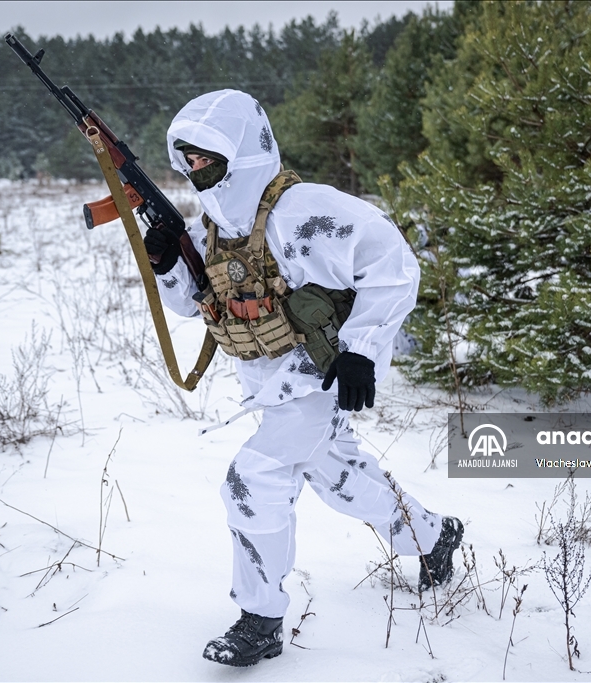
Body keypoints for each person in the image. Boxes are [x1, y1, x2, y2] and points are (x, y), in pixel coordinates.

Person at [143, 89, 463, 668]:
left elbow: (393, 265)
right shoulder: (213, 223)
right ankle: (432, 535)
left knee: (254, 478)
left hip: (320, 375)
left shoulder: (305, 210)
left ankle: (261, 619)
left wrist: (362, 348)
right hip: (270, 385)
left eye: (205, 158)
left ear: (241, 153)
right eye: (185, 159)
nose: (195, 171)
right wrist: (167, 264)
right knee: (337, 475)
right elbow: (197, 306)